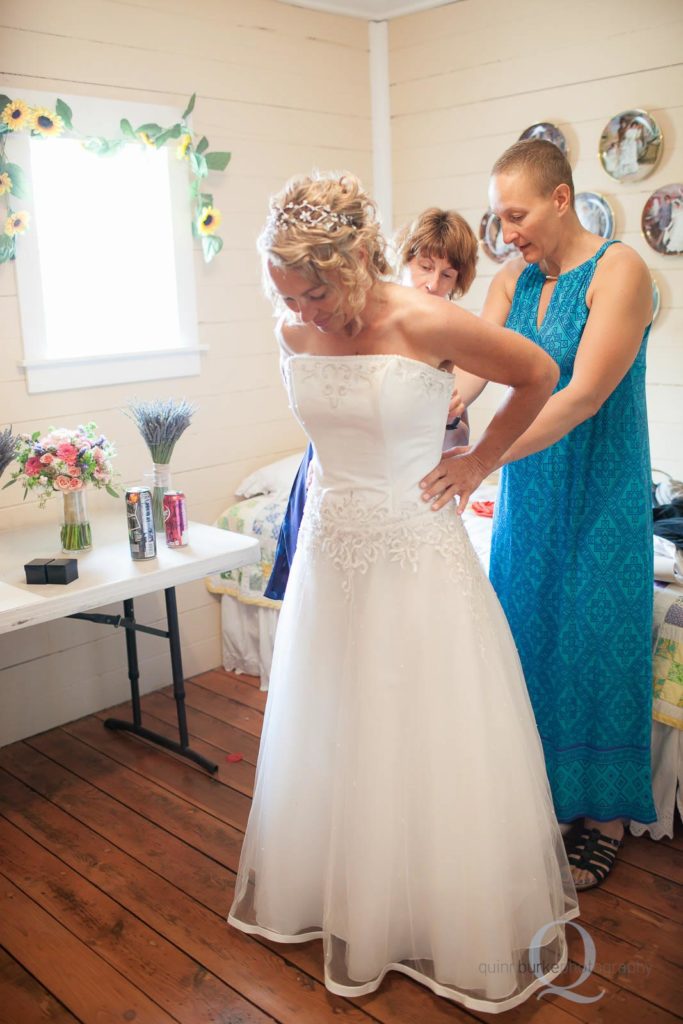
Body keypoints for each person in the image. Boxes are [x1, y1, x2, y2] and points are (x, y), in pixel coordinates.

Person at [228, 171, 578, 1011]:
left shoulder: (422, 318)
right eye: (286, 294)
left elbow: (537, 372)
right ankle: (337, 891)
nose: (299, 311)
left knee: (422, 721)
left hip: (414, 546)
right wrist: (298, 320)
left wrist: (479, 460)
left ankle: (435, 906)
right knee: (339, 717)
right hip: (330, 547)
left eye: (311, 292)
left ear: (350, 265)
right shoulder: (293, 328)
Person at [420, 140, 657, 889]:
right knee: (525, 633)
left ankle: (607, 818)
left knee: (595, 635)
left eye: (515, 214)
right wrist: (435, 409)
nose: (506, 230)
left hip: (598, 487)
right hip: (527, 489)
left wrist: (482, 459)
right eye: (498, 216)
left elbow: (582, 394)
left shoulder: (619, 271)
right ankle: (547, 797)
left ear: (560, 200)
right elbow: (473, 369)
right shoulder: (512, 279)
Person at [264, 206, 477, 601]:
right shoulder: (350, 317)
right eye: (425, 266)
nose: (432, 283)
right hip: (335, 476)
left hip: (404, 496)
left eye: (447, 275)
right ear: (404, 258)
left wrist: (454, 418)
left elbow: (453, 438)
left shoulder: (445, 327)